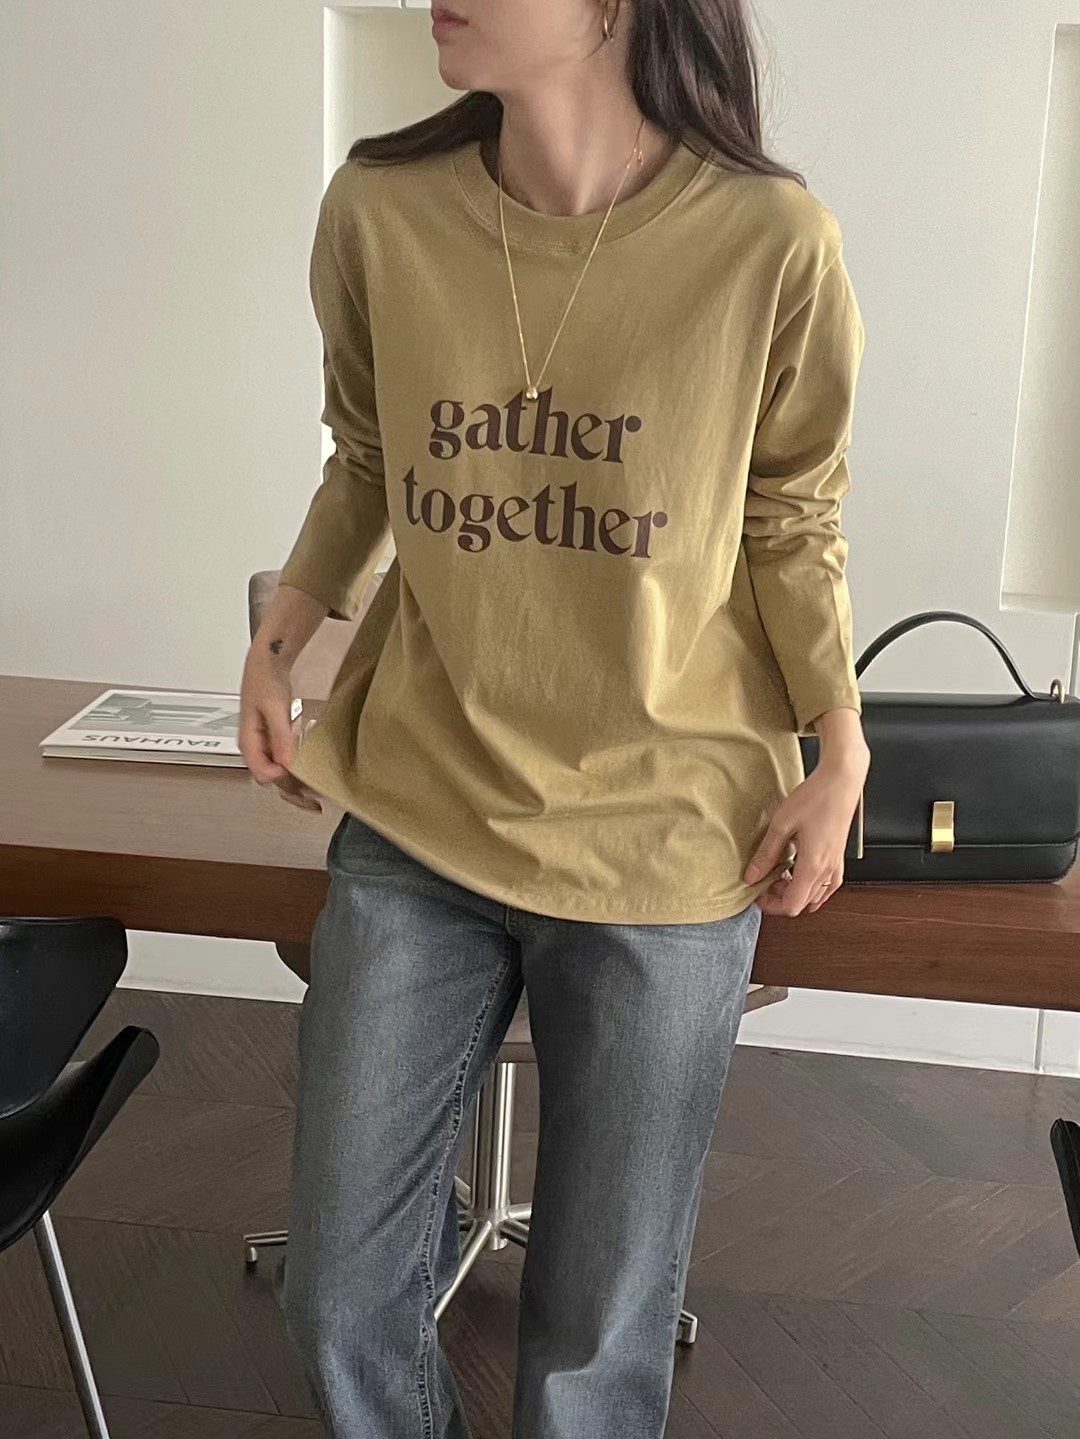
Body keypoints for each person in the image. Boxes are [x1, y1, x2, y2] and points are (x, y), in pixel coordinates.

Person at [238, 1, 870, 1434]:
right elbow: (370, 456)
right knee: (336, 1299)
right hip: (422, 811)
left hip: (668, 838)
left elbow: (791, 519)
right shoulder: (381, 210)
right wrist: (282, 639)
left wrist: (841, 746)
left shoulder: (771, 242)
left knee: (595, 1343)